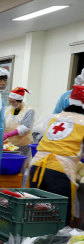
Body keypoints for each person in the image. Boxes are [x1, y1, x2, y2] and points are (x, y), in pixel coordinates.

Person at [29, 86, 84, 228]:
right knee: (59, 215)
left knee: (35, 212)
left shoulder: (53, 118)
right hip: (60, 171)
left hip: (36, 166)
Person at [4, 87, 35, 172]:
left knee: (21, 167)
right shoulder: (8, 109)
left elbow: (25, 127)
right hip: (9, 144)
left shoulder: (29, 111)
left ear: (20, 100)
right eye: (10, 101)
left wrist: (8, 134)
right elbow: (3, 122)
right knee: (9, 167)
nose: (11, 103)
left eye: (13, 101)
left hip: (23, 144)